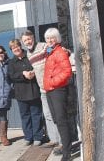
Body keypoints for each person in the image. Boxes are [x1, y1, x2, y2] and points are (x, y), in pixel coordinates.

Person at [20, 30, 62, 145]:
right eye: (25, 40)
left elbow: (54, 52)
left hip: (53, 87)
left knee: (57, 115)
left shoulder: (43, 47)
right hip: (43, 90)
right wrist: (32, 73)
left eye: (29, 39)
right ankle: (54, 140)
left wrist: (67, 52)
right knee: (47, 115)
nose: (27, 42)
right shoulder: (28, 54)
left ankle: (62, 140)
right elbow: (38, 66)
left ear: (33, 38)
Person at [43, 28, 73, 161]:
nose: (50, 40)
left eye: (52, 38)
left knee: (61, 120)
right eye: (48, 38)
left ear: (57, 38)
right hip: (50, 90)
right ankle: (65, 146)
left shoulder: (60, 52)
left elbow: (67, 72)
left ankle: (67, 153)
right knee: (57, 120)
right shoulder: (49, 52)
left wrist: (53, 82)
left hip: (57, 90)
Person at [7, 39, 44, 146]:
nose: (16, 49)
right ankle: (28, 137)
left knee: (36, 115)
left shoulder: (29, 56)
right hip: (20, 93)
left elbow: (38, 67)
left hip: (33, 90)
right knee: (25, 116)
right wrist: (23, 74)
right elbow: (11, 76)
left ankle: (38, 137)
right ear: (11, 50)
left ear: (20, 46)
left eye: (17, 47)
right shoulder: (11, 62)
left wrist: (33, 73)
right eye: (13, 48)